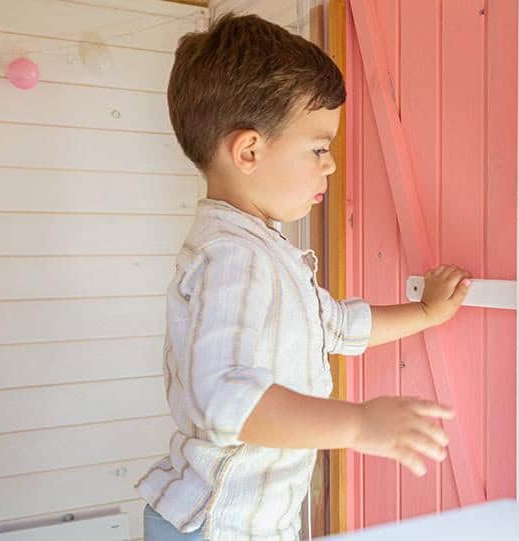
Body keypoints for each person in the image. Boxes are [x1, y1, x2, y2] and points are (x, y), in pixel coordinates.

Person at [136, 13, 472, 541]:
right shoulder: (234, 258)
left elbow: (334, 326)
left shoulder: (261, 249)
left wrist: (426, 312)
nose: (331, 165)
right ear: (249, 151)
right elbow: (225, 399)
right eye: (319, 148)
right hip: (219, 526)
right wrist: (359, 424)